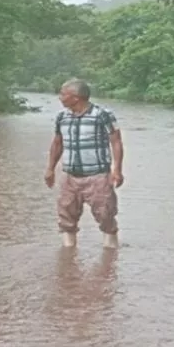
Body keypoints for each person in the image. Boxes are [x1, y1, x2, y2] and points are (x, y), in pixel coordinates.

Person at [45, 78, 124, 249]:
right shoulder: (62, 117)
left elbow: (116, 141)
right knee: (66, 214)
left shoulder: (102, 115)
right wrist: (50, 168)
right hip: (70, 176)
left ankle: (111, 253)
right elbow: (57, 143)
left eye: (63, 94)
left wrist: (117, 170)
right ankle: (68, 254)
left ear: (76, 97)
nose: (60, 97)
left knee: (105, 214)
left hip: (97, 175)